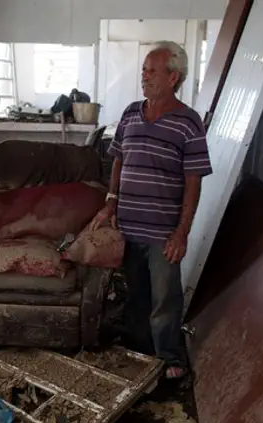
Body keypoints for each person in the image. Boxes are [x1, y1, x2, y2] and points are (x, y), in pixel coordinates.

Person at [92, 41, 213, 380]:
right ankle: (137, 353)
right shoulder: (131, 112)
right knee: (136, 295)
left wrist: (182, 232)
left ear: (173, 76)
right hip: (128, 226)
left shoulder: (189, 123)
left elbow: (194, 181)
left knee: (165, 300)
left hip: (162, 233)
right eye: (143, 70)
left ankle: (169, 359)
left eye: (151, 71)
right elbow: (118, 157)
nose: (143, 76)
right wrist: (111, 200)